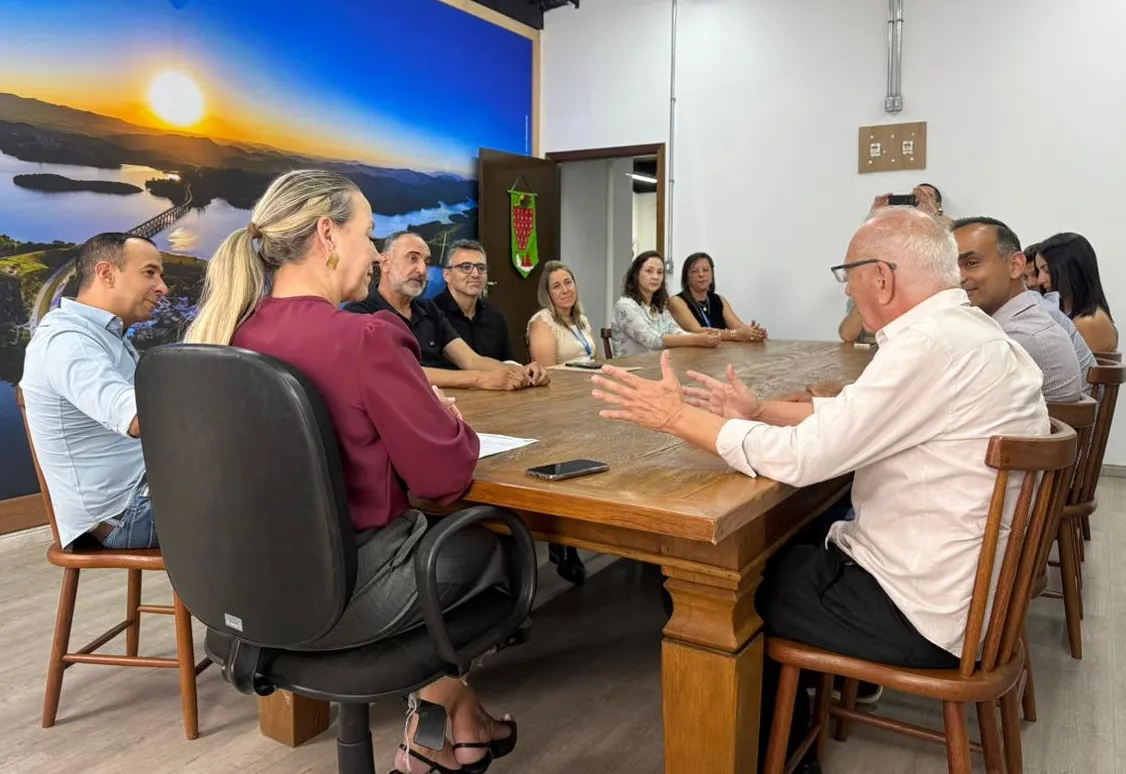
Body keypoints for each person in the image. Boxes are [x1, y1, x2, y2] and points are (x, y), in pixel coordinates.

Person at [589, 206, 1048, 771]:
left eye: (847, 275)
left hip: (922, 612)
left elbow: (804, 460)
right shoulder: (968, 334)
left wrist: (674, 417)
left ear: (880, 276)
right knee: (789, 543)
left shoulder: (928, 345)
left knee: (715, 585)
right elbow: (859, 415)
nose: (848, 291)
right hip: (976, 596)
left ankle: (773, 759)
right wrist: (759, 410)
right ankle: (796, 728)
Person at [184, 170, 518, 773]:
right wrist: (448, 419)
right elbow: (444, 479)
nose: (374, 252)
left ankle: (450, 717)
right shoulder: (366, 338)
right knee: (502, 555)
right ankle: (442, 719)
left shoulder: (224, 335)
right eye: (368, 234)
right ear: (326, 235)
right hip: (349, 592)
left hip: (240, 595)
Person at [20, 233, 168, 550]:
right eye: (149, 272)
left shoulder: (104, 336)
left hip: (144, 495)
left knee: (266, 486)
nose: (162, 287)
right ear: (106, 273)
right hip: (126, 516)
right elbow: (137, 418)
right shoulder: (68, 341)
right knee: (266, 501)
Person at [345, 231, 548, 391]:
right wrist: (481, 379)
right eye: (412, 259)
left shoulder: (428, 309)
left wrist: (522, 372)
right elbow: (400, 372)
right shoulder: (361, 313)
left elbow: (470, 359)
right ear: (385, 262)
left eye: (426, 262)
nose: (422, 270)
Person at [954, 217, 1083, 402]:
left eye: (972, 263)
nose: (959, 277)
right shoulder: (1012, 323)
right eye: (951, 266)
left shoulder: (1019, 339)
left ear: (1015, 266)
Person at [842, 183, 946, 344]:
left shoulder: (938, 262)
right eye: (914, 197)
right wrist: (875, 220)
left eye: (927, 197)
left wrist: (933, 217)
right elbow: (847, 335)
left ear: (939, 205)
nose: (917, 202)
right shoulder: (875, 269)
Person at [611, 250, 722, 358]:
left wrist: (705, 335)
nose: (655, 277)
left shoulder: (659, 308)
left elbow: (677, 332)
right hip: (630, 370)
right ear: (636, 274)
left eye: (659, 272)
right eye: (649, 271)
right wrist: (697, 339)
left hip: (657, 367)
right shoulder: (624, 306)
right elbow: (653, 340)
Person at [433, 239, 518, 364]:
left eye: (481, 267)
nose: (475, 274)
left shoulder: (496, 317)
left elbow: (509, 363)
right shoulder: (431, 315)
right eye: (466, 267)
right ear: (447, 275)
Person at [1036, 232, 1118, 353]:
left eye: (1047, 270)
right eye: (1038, 271)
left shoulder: (1089, 322)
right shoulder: (1069, 315)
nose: (1040, 280)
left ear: (1072, 271)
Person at [667, 252, 768, 342]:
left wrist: (754, 333)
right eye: (694, 271)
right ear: (686, 278)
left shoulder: (719, 300)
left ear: (712, 276)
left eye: (706, 270)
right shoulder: (676, 302)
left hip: (719, 356)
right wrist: (735, 334)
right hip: (690, 358)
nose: (701, 274)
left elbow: (739, 327)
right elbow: (697, 331)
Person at [527, 261, 598, 365]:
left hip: (592, 377)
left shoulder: (581, 319)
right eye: (556, 286)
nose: (565, 290)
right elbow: (548, 372)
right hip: (567, 380)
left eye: (568, 282)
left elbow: (598, 360)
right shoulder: (542, 321)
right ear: (548, 294)